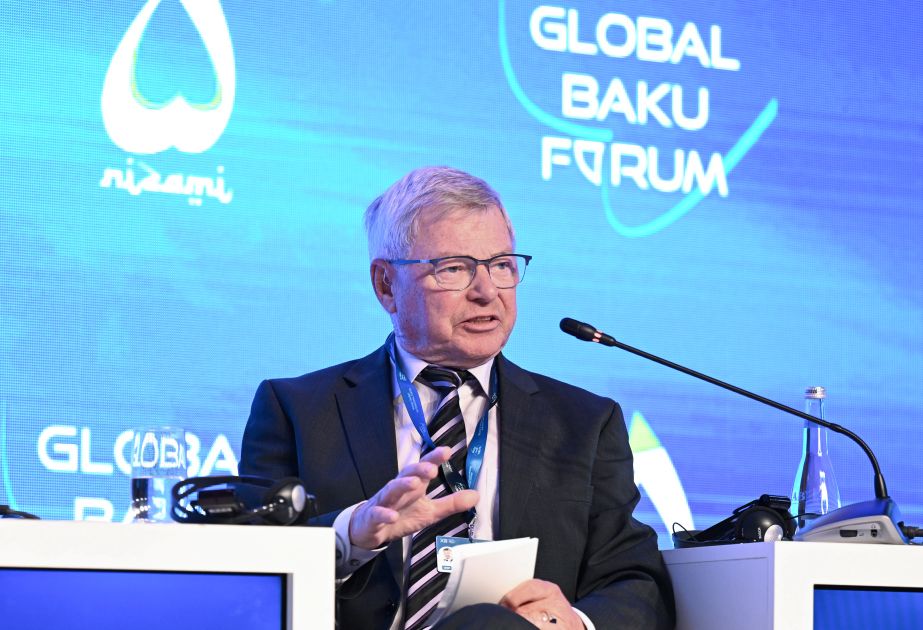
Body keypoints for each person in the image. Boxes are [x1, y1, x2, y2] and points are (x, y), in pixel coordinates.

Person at [240, 166, 675, 629]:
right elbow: (238, 565)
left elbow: (636, 582)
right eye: (454, 269)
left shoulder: (583, 424)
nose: (487, 292)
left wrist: (574, 623)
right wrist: (352, 535)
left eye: (502, 265)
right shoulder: (298, 411)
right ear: (386, 285)